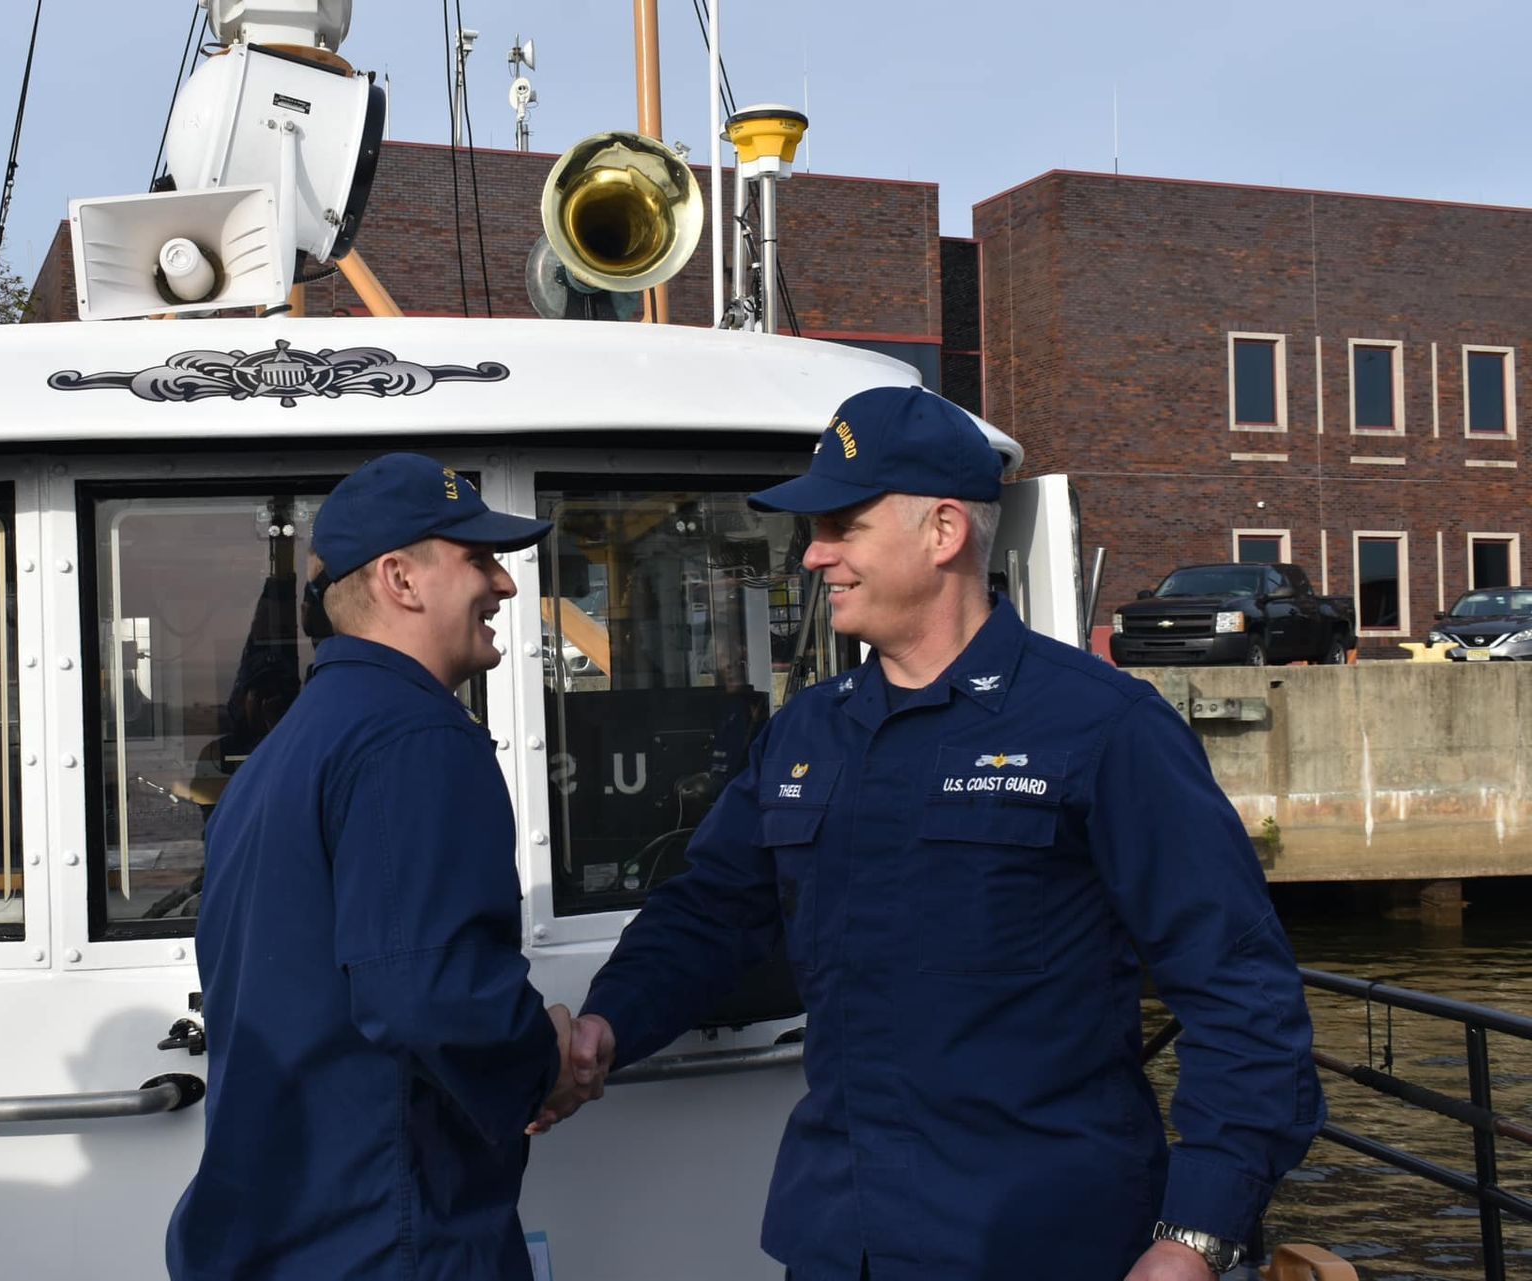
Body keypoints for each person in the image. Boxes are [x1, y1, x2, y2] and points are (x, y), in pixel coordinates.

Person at [557, 387, 1325, 1280]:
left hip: (1039, 1242)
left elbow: (1238, 988)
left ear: (944, 531)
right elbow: (712, 913)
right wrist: (609, 1021)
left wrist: (1196, 1233)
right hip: (843, 1241)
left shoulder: (1103, 727)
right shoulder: (808, 732)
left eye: (842, 526)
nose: (815, 554)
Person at [167, 453, 582, 1281]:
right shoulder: (414, 737)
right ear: (400, 578)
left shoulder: (285, 751)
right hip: (387, 1239)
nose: (504, 584)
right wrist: (547, 1061)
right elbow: (429, 992)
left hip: (285, 1234)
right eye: (478, 558)